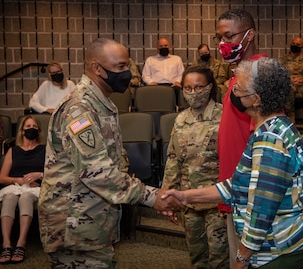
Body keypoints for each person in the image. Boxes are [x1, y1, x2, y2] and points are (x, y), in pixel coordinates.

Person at [163, 57, 303, 269]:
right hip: (279, 242)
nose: (233, 93)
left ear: (255, 99)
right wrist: (184, 196)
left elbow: (262, 209)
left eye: (238, 88)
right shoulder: (268, 129)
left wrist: (242, 257)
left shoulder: (270, 141)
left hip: (280, 248)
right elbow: (237, 185)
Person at [37, 37, 182, 268]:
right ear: (97, 68)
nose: (128, 73)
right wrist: (152, 197)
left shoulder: (101, 103)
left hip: (91, 218)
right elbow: (97, 172)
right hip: (73, 223)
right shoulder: (79, 108)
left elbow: (114, 160)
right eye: (120, 67)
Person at [214, 8, 269, 267]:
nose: (223, 45)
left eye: (229, 37)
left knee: (245, 259)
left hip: (247, 190)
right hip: (234, 184)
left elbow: (265, 139)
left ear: (250, 35)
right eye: (219, 38)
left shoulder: (259, 75)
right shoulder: (241, 73)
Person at [161, 66, 229, 269]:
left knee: (220, 258)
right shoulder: (181, 119)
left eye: (198, 87)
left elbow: (232, 159)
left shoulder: (224, 115)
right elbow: (174, 159)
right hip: (188, 201)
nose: (193, 92)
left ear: (210, 87)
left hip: (216, 202)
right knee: (197, 257)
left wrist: (229, 201)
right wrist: (168, 196)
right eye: (187, 88)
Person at [0, 115, 45, 264]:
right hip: (16, 186)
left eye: (34, 127)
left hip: (35, 188)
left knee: (26, 198)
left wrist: (39, 175)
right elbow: (2, 177)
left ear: (38, 131)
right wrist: (18, 180)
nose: (31, 130)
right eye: (28, 127)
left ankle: (21, 242)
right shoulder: (13, 151)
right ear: (22, 131)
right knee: (9, 198)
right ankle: (6, 244)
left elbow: (54, 173)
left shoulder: (44, 150)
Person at [141, 37, 185, 105]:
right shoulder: (150, 60)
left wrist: (178, 82)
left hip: (173, 86)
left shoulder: (177, 59)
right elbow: (145, 75)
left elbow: (181, 73)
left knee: (178, 91)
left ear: (169, 46)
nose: (163, 47)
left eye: (165, 45)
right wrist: (150, 82)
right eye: (161, 46)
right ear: (157, 48)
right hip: (156, 86)